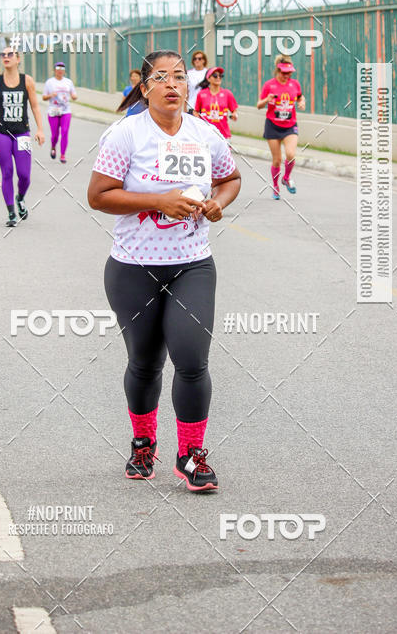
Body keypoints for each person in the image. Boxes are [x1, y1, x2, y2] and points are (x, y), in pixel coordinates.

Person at [88, 50, 241, 492]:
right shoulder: (125, 135)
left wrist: (218, 203)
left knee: (192, 361)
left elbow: (230, 179)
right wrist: (158, 200)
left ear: (187, 87)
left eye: (179, 77)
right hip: (134, 267)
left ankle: (191, 455)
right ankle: (143, 443)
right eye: (161, 77)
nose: (172, 84)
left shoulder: (206, 134)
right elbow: (99, 196)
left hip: (192, 264)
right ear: (145, 87)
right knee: (145, 361)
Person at [0, 47, 44, 226]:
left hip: (22, 132)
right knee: (7, 172)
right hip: (1, 133)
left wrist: (40, 129)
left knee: (24, 175)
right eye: (3, 55)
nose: (5, 57)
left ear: (18, 59)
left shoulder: (27, 81)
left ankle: (20, 198)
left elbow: (35, 106)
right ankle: (11, 213)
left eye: (9, 55)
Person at [257, 55, 305, 199]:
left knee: (290, 154)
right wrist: (267, 99)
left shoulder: (295, 84)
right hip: (272, 125)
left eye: (289, 73)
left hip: (290, 125)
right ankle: (276, 186)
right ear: (278, 70)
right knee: (277, 160)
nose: (287, 76)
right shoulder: (269, 85)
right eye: (284, 73)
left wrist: (302, 102)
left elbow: (300, 97)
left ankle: (286, 178)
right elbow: (259, 105)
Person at [42, 62, 77, 161]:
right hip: (53, 110)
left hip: (66, 110)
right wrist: (50, 95)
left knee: (65, 131)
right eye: (58, 68)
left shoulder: (68, 82)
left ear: (64, 71)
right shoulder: (50, 82)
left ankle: (63, 155)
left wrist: (74, 96)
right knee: (55, 134)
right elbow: (44, 97)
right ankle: (53, 147)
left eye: (62, 68)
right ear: (54, 70)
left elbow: (74, 94)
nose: (60, 70)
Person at [194, 66, 238, 139]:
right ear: (208, 78)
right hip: (205, 134)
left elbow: (234, 111)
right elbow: (196, 111)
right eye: (215, 76)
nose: (218, 78)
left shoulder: (227, 94)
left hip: (223, 134)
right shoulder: (201, 94)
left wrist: (234, 115)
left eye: (220, 76)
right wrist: (198, 122)